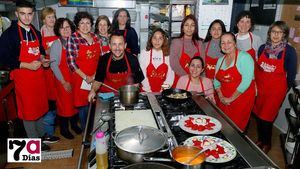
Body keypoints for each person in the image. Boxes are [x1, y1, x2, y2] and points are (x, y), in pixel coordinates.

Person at [0, 0, 50, 151]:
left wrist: (42, 59)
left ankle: (42, 137)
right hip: (24, 79)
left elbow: (40, 49)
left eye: (29, 14)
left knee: (40, 108)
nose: (27, 17)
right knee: (29, 112)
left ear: (33, 14)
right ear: (16, 14)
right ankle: (34, 144)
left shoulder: (34, 30)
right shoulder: (10, 34)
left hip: (38, 77)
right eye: (23, 14)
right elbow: (4, 59)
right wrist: (26, 65)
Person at [253, 21, 297, 154]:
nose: (276, 35)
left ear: (284, 35)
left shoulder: (289, 51)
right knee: (259, 116)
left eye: (280, 32)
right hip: (260, 90)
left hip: (275, 92)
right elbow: (258, 69)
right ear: (269, 33)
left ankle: (267, 143)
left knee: (267, 118)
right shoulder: (262, 48)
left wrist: (283, 90)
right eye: (274, 31)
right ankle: (260, 139)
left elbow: (291, 75)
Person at [214, 32, 255, 132]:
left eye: (229, 42)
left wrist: (231, 99)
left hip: (241, 98)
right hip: (223, 97)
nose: (226, 45)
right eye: (223, 43)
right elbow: (216, 80)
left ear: (235, 43)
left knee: (235, 128)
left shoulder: (244, 57)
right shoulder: (220, 60)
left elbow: (246, 82)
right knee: (222, 124)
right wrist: (220, 96)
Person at [66, 12, 100, 130]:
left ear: (91, 24)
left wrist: (95, 75)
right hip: (81, 78)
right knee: (83, 106)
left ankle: (95, 129)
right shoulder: (73, 38)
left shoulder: (96, 37)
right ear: (77, 25)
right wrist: (86, 77)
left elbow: (100, 59)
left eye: (88, 23)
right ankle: (86, 132)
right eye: (82, 23)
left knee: (95, 104)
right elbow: (71, 63)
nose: (85, 26)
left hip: (95, 77)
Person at [88, 32, 144, 100]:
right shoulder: (104, 59)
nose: (117, 48)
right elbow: (98, 81)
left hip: (127, 95)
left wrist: (130, 95)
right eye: (114, 44)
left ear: (125, 45)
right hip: (107, 97)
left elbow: (136, 83)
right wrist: (93, 90)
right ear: (110, 46)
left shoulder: (132, 59)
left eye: (120, 44)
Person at [50, 18, 82, 139]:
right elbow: (53, 65)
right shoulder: (57, 44)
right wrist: (63, 82)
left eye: (67, 27)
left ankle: (74, 125)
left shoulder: (74, 41)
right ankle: (64, 129)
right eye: (62, 28)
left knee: (74, 103)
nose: (65, 30)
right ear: (58, 30)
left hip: (75, 78)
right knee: (64, 106)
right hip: (62, 79)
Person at [40, 7, 60, 143]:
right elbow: (42, 52)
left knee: (58, 97)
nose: (52, 19)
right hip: (47, 71)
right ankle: (48, 132)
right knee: (49, 100)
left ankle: (55, 126)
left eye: (53, 16)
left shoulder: (57, 30)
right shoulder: (41, 32)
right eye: (49, 17)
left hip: (57, 69)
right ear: (43, 19)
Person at [170, 14, 202, 86]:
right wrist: (189, 79)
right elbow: (174, 65)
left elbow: (203, 65)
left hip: (196, 83)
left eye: (192, 25)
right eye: (186, 25)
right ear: (182, 28)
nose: (189, 28)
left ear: (195, 28)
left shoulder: (200, 44)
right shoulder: (176, 42)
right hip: (180, 82)